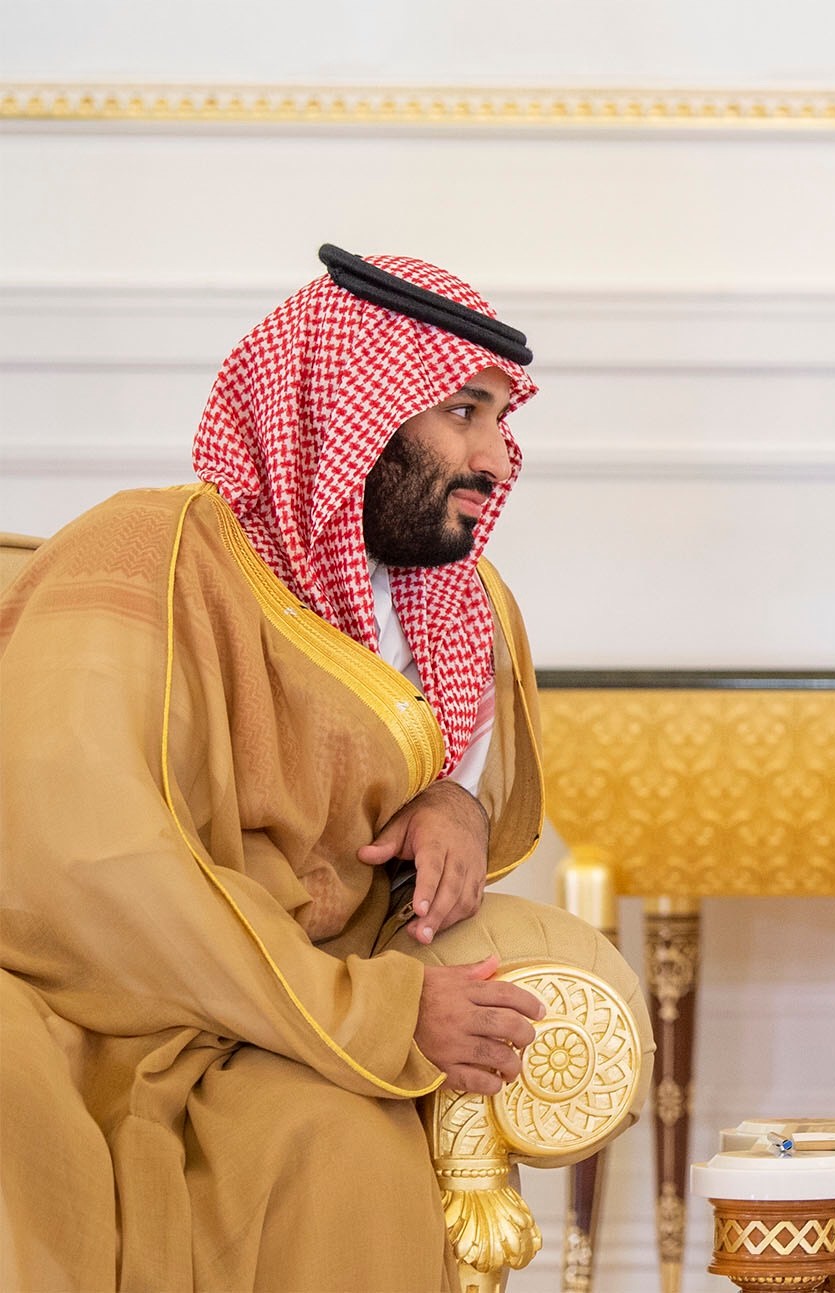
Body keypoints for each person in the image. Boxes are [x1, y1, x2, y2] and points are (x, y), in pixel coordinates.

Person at [1, 246, 561, 1290]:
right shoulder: (140, 555)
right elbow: (86, 863)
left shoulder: (453, 613)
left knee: (342, 1155)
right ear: (343, 408)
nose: (494, 457)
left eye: (501, 419)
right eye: (461, 411)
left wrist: (455, 807)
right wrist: (377, 1013)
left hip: (259, 1035)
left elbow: (456, 779)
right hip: (72, 1004)